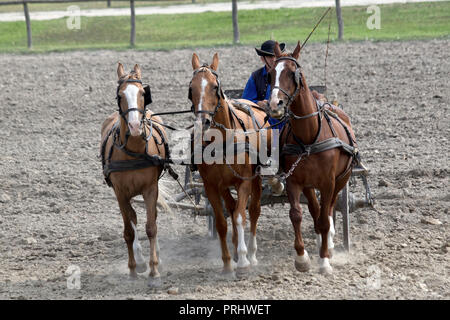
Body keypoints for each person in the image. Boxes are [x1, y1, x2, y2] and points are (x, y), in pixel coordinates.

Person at [242, 40, 286, 130]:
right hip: (265, 124)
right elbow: (245, 101)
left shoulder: (287, 74)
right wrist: (258, 103)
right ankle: (274, 143)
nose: (274, 59)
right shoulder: (255, 77)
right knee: (274, 142)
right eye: (270, 56)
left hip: (287, 123)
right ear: (262, 59)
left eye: (276, 56)